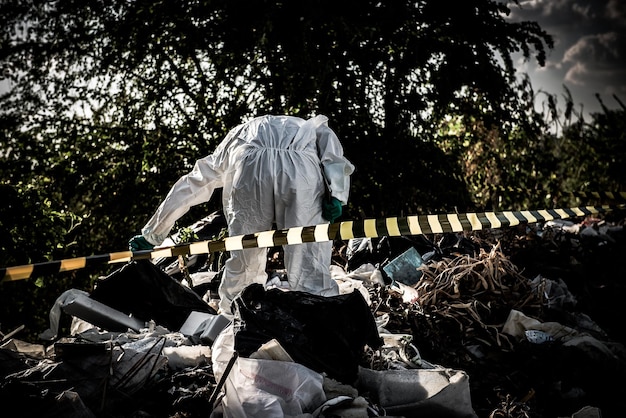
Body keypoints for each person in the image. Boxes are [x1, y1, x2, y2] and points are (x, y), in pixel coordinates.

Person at [129, 114, 355, 314]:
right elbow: (330, 146)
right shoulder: (308, 127)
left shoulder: (238, 133)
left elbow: (195, 182)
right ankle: (320, 321)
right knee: (308, 257)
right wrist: (337, 193)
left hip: (247, 163)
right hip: (301, 166)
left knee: (244, 258)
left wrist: (153, 233)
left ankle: (233, 322)